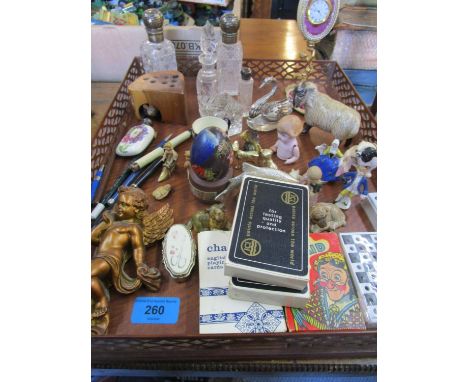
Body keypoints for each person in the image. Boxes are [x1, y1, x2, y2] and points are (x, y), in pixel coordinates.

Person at [91, 186, 162, 334]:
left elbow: (138, 248)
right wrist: (106, 222)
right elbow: (93, 238)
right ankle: (98, 300)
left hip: (109, 260)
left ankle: (102, 301)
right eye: (119, 203)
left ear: (136, 209)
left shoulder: (133, 228)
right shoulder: (114, 223)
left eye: (125, 205)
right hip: (98, 258)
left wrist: (140, 265)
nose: (119, 208)